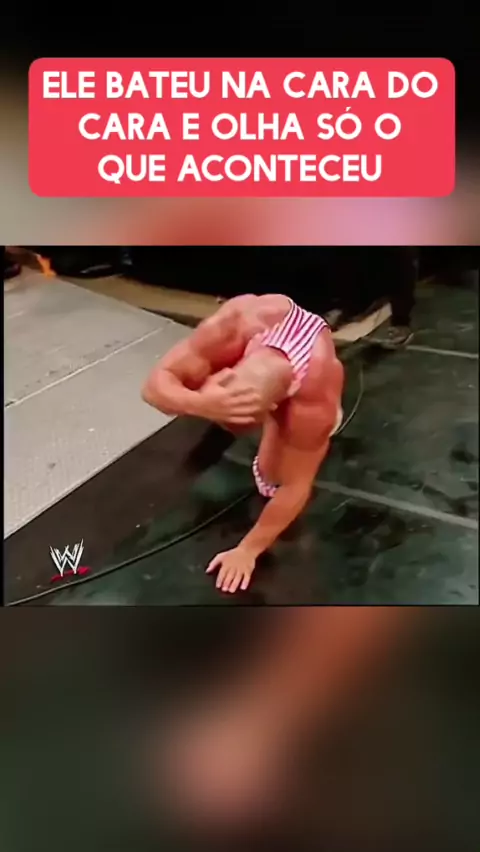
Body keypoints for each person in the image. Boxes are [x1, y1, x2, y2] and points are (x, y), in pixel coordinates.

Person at [142, 293, 344, 593]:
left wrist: (249, 549)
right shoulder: (236, 325)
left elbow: (296, 487)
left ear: (273, 409)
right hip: (268, 333)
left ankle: (282, 434)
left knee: (273, 475)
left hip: (306, 376)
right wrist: (200, 404)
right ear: (227, 369)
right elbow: (152, 388)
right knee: (186, 383)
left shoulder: (313, 402)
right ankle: (217, 403)